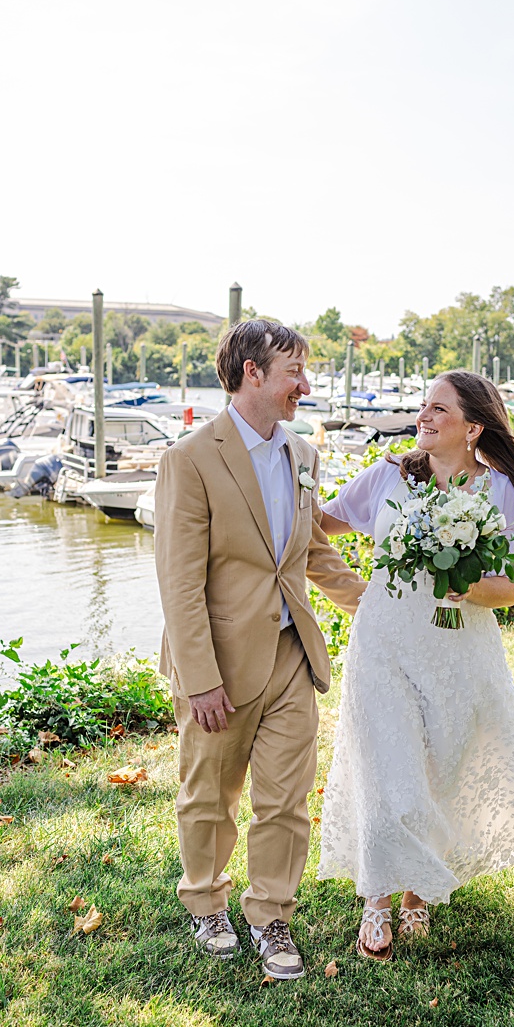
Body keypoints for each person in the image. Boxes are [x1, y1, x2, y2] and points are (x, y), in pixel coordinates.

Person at [315, 369, 514, 960]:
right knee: (389, 767)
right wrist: (346, 585)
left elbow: (510, 586)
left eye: (439, 409)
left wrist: (468, 589)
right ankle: (376, 901)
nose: (423, 418)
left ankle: (418, 895)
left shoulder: (497, 490)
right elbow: (317, 524)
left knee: (441, 768)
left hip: (458, 647)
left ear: (473, 427)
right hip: (383, 639)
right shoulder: (386, 476)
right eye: (422, 407)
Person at [155, 319, 367, 980]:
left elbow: (311, 552)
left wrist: (380, 607)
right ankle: (205, 900)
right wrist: (199, 677)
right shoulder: (190, 459)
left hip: (290, 655)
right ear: (253, 373)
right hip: (216, 659)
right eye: (294, 372)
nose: (304, 385)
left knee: (285, 797)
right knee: (210, 794)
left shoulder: (302, 455)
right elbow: (179, 579)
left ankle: (270, 915)